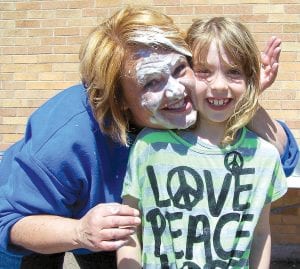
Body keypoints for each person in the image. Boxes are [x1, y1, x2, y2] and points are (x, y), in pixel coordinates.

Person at [0, 6, 298, 269]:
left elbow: (281, 161)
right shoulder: (65, 140)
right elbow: (8, 222)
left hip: (115, 225)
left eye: (180, 68)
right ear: (120, 99)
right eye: (151, 82)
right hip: (40, 220)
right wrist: (78, 232)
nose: (176, 91)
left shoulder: (188, 109)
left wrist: (251, 96)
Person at [117, 17, 291, 268]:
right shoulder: (150, 146)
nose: (219, 85)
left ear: (251, 80)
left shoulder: (264, 156)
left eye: (234, 72)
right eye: (204, 71)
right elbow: (129, 227)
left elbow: (261, 233)